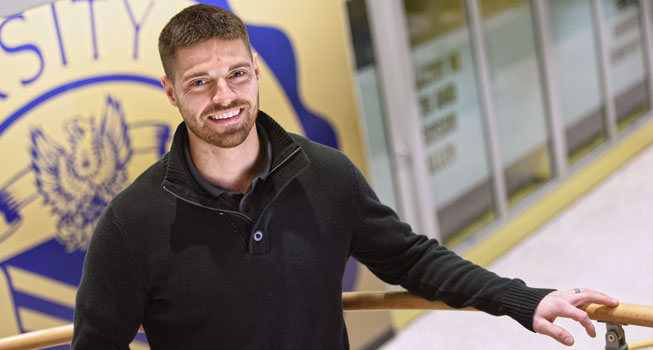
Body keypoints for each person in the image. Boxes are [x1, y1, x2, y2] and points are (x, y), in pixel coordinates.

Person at [72, 4, 618, 349]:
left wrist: (524, 301)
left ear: (256, 71)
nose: (225, 97)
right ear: (170, 92)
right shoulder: (131, 223)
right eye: (199, 83)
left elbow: (413, 259)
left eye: (237, 74)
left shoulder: (327, 176)